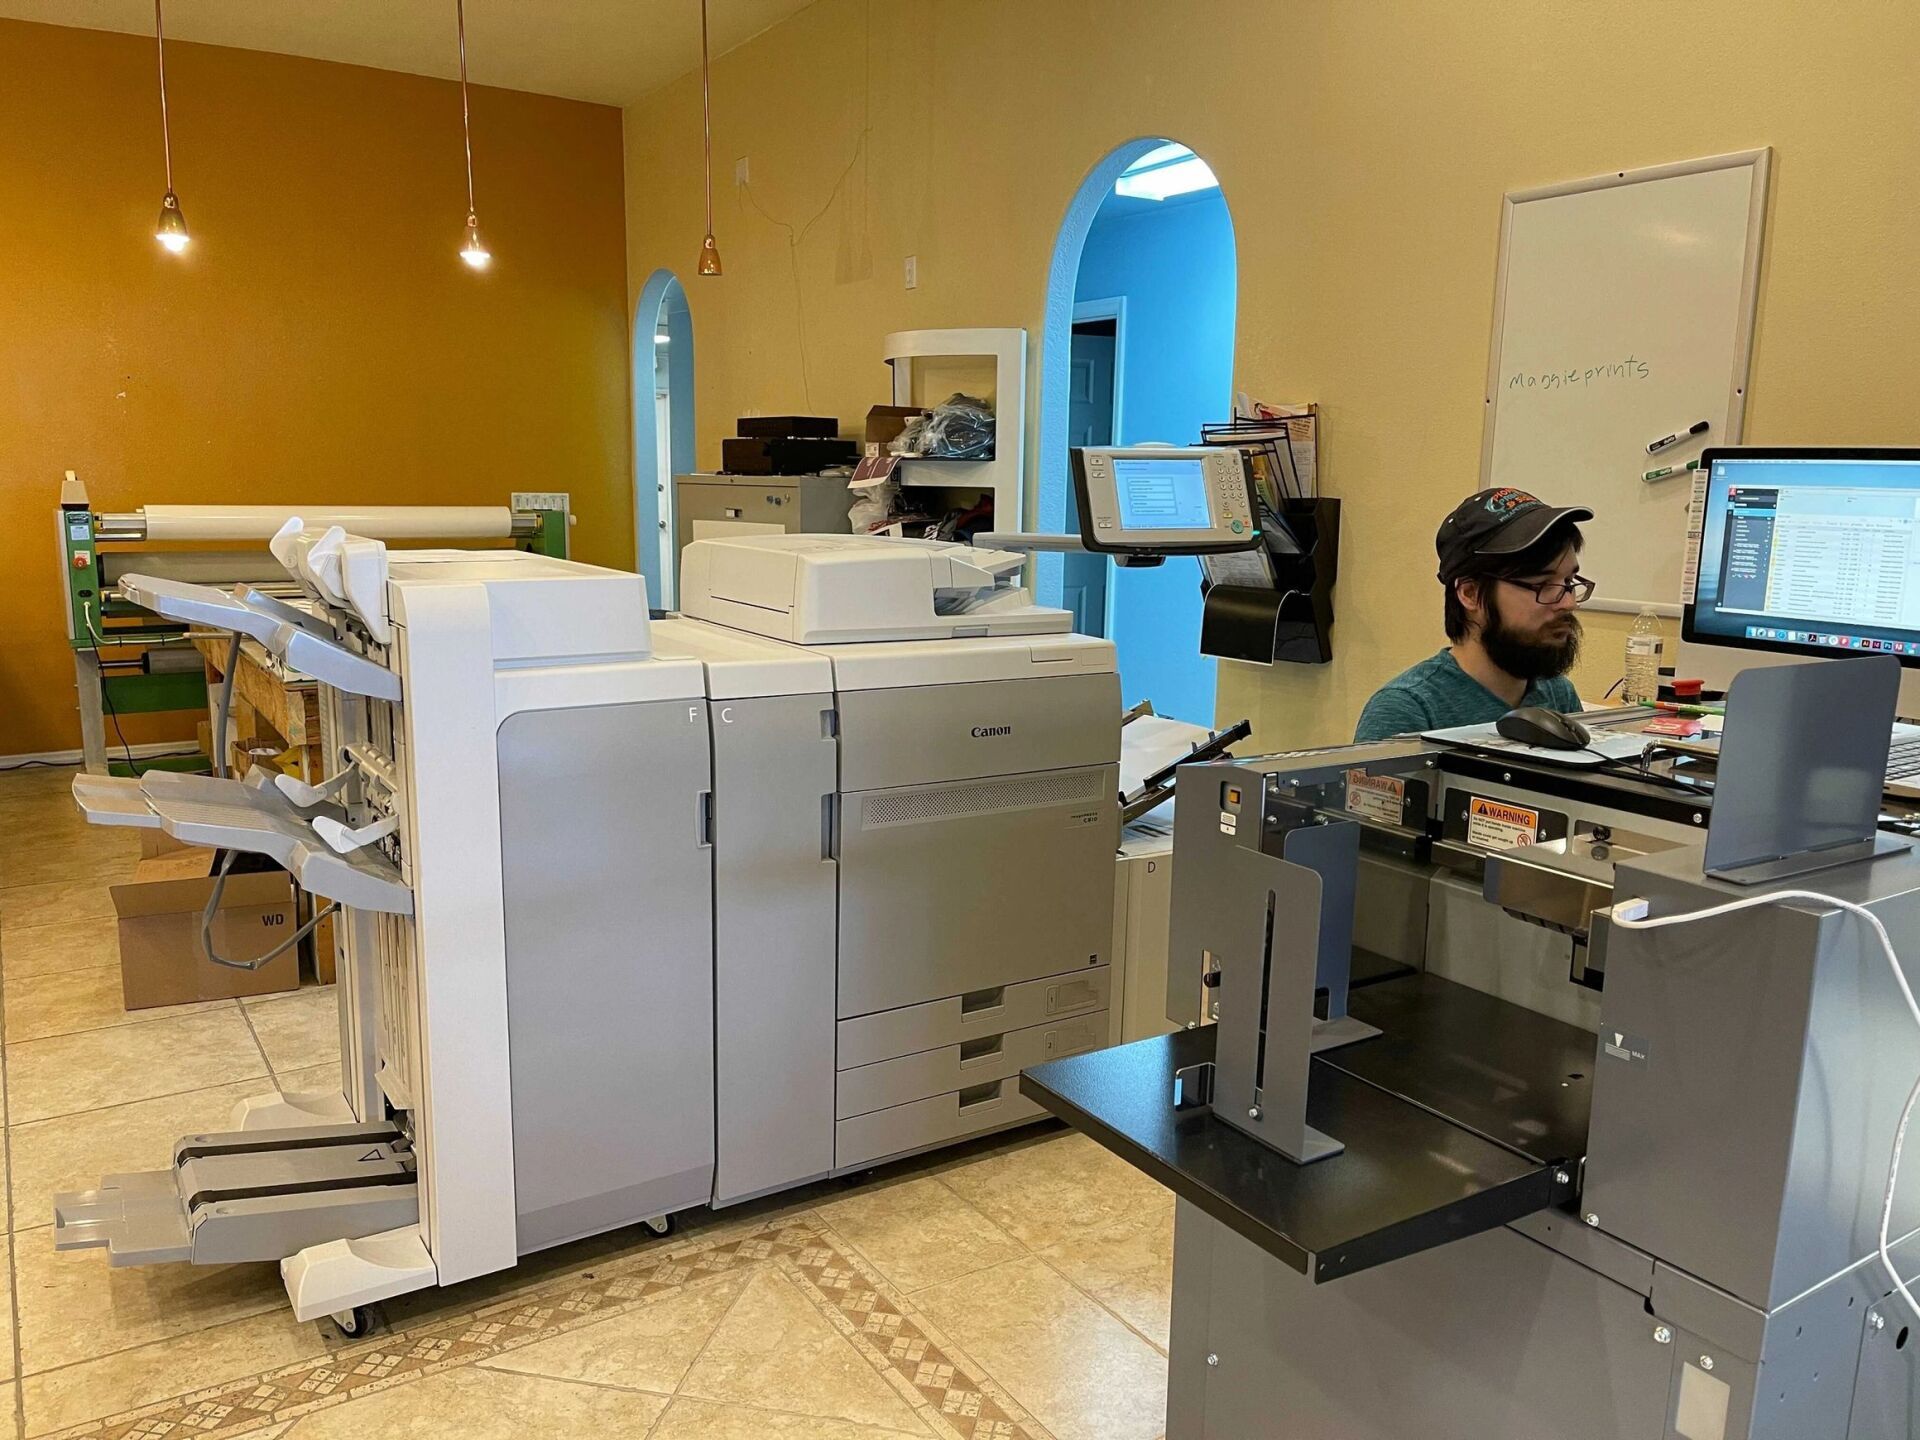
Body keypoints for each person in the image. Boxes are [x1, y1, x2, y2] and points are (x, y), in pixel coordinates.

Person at [1354, 488, 1595, 743]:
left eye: (1568, 582)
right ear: (1470, 593)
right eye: (1542, 585)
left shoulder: (1557, 694)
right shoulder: (1406, 711)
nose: (1569, 603)